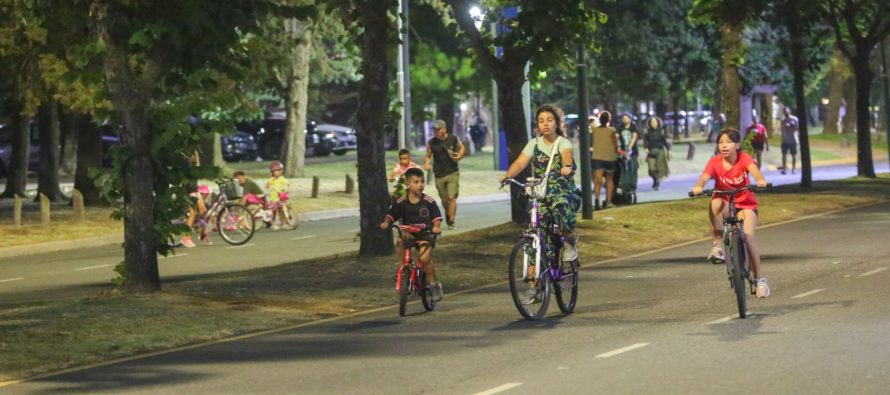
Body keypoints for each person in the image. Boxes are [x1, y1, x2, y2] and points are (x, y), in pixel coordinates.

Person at [692, 128, 771, 298]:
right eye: (721, 142)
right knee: (715, 202)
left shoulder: (744, 158)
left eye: (728, 142)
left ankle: (759, 280)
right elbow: (704, 177)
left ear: (737, 144)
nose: (724, 145)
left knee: (747, 238)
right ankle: (718, 247)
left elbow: (755, 171)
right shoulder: (714, 162)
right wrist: (699, 186)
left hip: (746, 205)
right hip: (726, 204)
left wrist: (760, 180)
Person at [500, 104, 580, 263]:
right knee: (535, 231)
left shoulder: (562, 142)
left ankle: (569, 241)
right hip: (541, 194)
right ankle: (533, 282)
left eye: (549, 120)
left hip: (561, 192)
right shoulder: (533, 144)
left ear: (556, 123)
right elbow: (521, 163)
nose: (545, 123)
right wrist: (507, 176)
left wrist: (566, 167)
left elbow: (567, 154)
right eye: (541, 120)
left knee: (561, 209)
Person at [379, 167, 444, 300]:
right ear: (408, 184)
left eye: (422, 181)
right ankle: (404, 270)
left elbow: (436, 218)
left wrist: (436, 227)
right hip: (410, 234)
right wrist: (386, 222)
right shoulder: (401, 201)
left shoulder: (429, 201)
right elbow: (392, 215)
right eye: (416, 182)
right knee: (399, 241)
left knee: (424, 259)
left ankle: (434, 285)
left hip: (426, 234)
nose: (420, 184)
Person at [424, 119, 464, 230]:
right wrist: (427, 164)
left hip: (452, 172)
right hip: (439, 175)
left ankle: (451, 221)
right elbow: (427, 155)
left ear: (444, 129)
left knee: (452, 198)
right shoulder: (431, 143)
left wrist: (460, 156)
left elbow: (461, 148)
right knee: (445, 200)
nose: (436, 132)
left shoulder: (453, 139)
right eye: (434, 130)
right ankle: (447, 212)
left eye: (438, 129)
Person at [590, 110, 620, 210]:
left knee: (598, 180)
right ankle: (608, 201)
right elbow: (616, 145)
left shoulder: (594, 130)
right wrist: (616, 151)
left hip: (597, 157)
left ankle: (597, 200)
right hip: (610, 157)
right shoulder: (612, 130)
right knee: (609, 179)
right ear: (609, 120)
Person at [643, 116, 671, 190]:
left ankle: (657, 182)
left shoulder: (661, 131)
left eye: (655, 122)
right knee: (651, 168)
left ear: (658, 123)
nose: (653, 123)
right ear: (649, 123)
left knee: (660, 167)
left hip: (660, 150)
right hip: (650, 151)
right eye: (652, 122)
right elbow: (645, 141)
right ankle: (655, 179)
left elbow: (664, 141)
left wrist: (669, 151)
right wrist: (645, 148)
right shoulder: (647, 131)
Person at [266, 161, 289, 230]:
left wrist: (285, 189)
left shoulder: (282, 179)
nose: (277, 172)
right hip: (273, 198)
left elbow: (286, 184)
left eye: (279, 170)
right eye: (275, 171)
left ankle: (284, 223)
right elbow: (267, 187)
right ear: (272, 172)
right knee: (274, 212)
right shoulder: (271, 180)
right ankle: (273, 224)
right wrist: (269, 188)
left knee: (281, 210)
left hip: (280, 197)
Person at [779, 106, 799, 175]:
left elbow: (797, 129)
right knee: (784, 155)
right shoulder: (782, 120)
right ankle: (784, 169)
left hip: (793, 139)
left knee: (793, 155)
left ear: (789, 111)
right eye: (784, 111)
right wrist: (782, 137)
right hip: (785, 140)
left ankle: (793, 169)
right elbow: (782, 130)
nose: (785, 112)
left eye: (786, 111)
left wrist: (791, 126)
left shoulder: (794, 119)